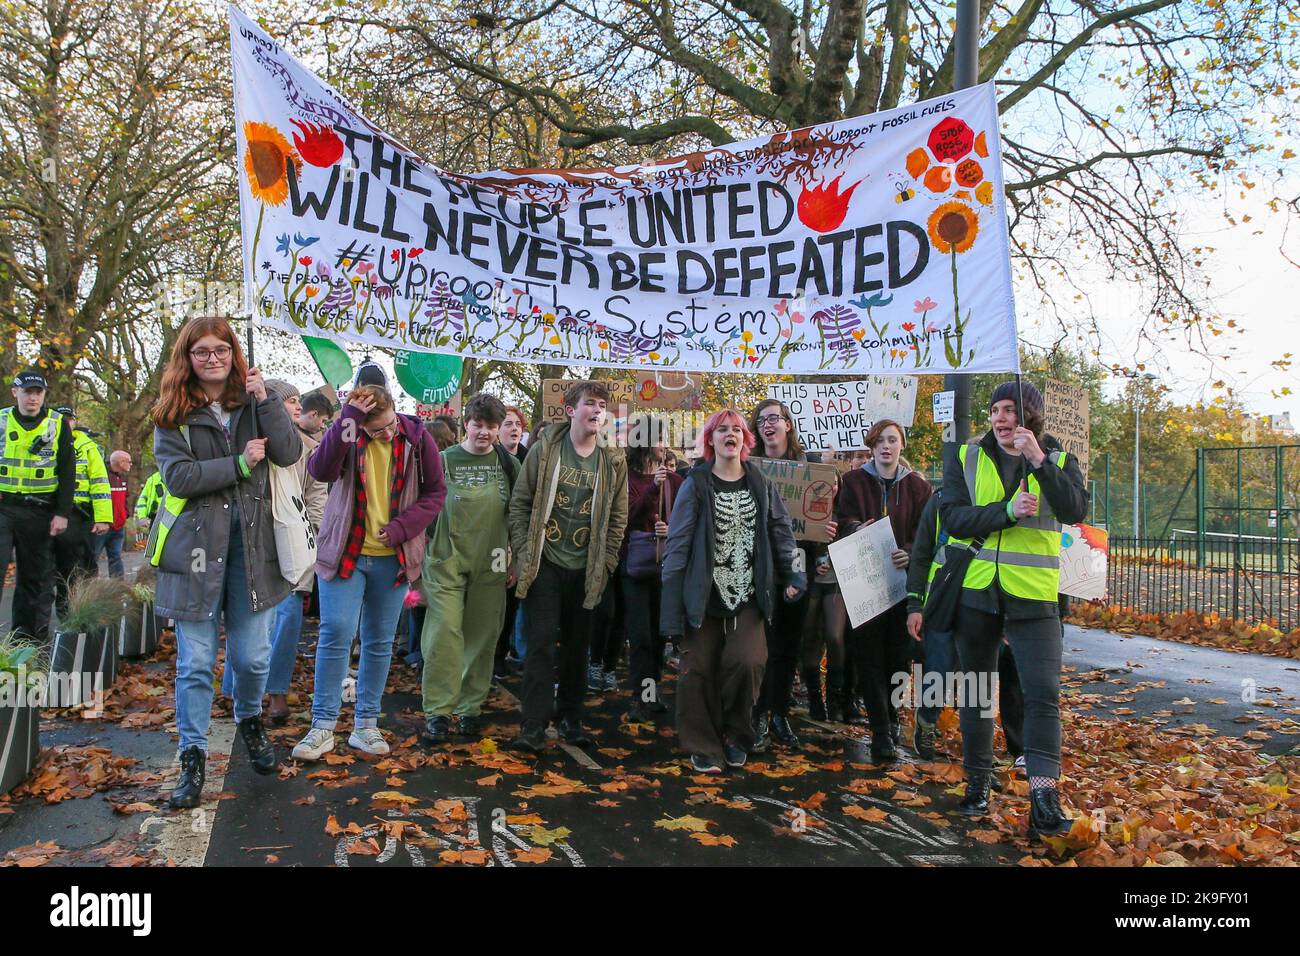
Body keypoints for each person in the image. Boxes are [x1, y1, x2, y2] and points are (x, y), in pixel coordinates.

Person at [149, 318, 302, 809]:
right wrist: (238, 464)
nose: (212, 358)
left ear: (234, 353)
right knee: (195, 662)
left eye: (221, 349)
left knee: (252, 658)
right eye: (201, 351)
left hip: (253, 550)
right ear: (187, 357)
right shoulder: (171, 413)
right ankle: (192, 754)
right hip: (193, 551)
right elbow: (178, 478)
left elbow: (289, 451)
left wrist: (268, 400)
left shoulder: (254, 404)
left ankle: (249, 717)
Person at [940, 381, 1088, 839]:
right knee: (978, 692)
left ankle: (1043, 798)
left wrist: (1040, 462)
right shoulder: (965, 457)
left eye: (1011, 410)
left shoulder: (1060, 461)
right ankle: (977, 785)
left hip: (1035, 596)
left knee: (1043, 694)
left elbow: (1074, 511)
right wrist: (1004, 512)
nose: (1002, 419)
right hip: (978, 592)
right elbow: (953, 518)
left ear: (1031, 417)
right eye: (995, 410)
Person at [292, 385, 446, 761]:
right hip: (345, 551)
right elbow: (320, 469)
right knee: (336, 633)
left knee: (379, 641)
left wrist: (402, 528)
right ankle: (322, 725)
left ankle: (366, 724)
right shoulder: (348, 434)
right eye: (375, 430)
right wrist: (348, 420)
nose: (384, 434)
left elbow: (436, 493)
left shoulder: (416, 438)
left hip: (393, 557)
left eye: (388, 425)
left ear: (397, 411)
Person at [661, 409, 806, 774]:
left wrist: (794, 573)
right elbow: (677, 547)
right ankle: (703, 744)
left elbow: (782, 532)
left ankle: (735, 734)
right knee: (697, 669)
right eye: (721, 429)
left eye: (737, 430)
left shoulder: (760, 483)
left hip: (747, 594)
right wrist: (670, 613)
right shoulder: (695, 484)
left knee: (747, 662)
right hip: (702, 597)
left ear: (745, 439)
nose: (730, 434)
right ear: (710, 440)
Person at [506, 381, 628, 753]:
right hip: (545, 564)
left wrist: (606, 563)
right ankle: (533, 726)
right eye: (589, 403)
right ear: (571, 409)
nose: (597, 410)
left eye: (602, 405)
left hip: (587, 569)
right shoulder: (544, 452)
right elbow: (520, 504)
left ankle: (572, 720)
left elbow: (618, 518)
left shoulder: (613, 459)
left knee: (579, 648)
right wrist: (526, 553)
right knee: (541, 645)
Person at [221, 380, 326, 724]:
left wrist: (314, 531)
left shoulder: (310, 449)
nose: (298, 407)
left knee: (288, 617)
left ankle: (277, 690)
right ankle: (236, 687)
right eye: (290, 401)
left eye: (298, 400)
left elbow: (317, 494)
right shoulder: (242, 440)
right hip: (250, 542)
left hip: (291, 539)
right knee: (247, 618)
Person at [419, 393, 520, 743]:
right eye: (479, 425)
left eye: (492, 427)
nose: (485, 433)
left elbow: (519, 516)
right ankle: (437, 710)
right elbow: (422, 508)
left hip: (491, 560)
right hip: (445, 558)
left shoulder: (509, 465)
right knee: (444, 632)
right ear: (466, 424)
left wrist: (516, 559)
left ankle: (469, 708)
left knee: (482, 636)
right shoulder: (442, 460)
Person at [833, 419, 932, 762]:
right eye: (880, 441)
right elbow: (840, 522)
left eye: (893, 440)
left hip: (902, 586)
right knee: (869, 658)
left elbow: (926, 533)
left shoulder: (919, 488)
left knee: (899, 659)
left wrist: (909, 548)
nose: (886, 446)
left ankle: (892, 717)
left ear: (902, 445)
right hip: (864, 585)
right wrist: (858, 528)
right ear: (872, 447)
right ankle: (880, 732)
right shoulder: (853, 482)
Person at [747, 398, 815, 749]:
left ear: (788, 424)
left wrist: (828, 527)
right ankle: (757, 713)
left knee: (789, 644)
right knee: (764, 645)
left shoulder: (811, 467)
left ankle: (780, 714)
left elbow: (822, 516)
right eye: (761, 420)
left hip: (800, 562)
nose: (768, 424)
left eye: (774, 418)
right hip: (761, 566)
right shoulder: (749, 468)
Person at [0, 369, 73, 640]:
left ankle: (26, 643)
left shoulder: (57, 424)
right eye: (27, 392)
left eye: (38, 392)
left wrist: (62, 513)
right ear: (14, 392)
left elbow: (67, 471)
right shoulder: (2, 420)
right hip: (4, 507)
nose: (33, 398)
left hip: (40, 511)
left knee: (34, 579)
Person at [621, 414, 684, 723]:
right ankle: (639, 697)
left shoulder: (675, 480)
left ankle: (651, 691)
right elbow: (625, 517)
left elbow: (686, 520)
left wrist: (669, 529)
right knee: (641, 635)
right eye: (658, 438)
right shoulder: (628, 476)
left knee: (659, 635)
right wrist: (650, 491)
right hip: (635, 566)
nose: (664, 445)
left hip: (666, 566)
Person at [51, 407, 112, 617]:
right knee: (57, 567)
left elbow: (100, 483)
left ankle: (84, 610)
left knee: (84, 564)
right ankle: (63, 611)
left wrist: (103, 518)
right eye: (62, 419)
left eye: (69, 419)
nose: (66, 423)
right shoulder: (46, 441)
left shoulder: (87, 446)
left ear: (75, 422)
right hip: (50, 511)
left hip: (80, 513)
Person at [93, 449, 132, 578]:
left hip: (118, 527)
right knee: (92, 558)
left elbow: (125, 499)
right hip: (102, 526)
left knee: (116, 558)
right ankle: (88, 589)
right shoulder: (101, 474)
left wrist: (125, 515)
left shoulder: (123, 477)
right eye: (129, 462)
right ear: (121, 462)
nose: (131, 465)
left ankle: (118, 589)